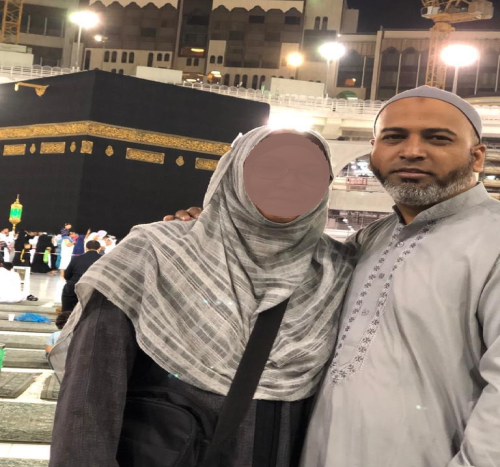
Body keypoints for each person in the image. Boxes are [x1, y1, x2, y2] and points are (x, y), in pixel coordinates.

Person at [167, 86, 500, 467]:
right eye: (394, 137)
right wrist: (214, 232)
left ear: (476, 156)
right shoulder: (366, 242)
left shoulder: (492, 239)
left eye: (437, 138)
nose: (411, 150)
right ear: (374, 150)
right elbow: (270, 259)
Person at [47, 127, 355, 467]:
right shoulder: (154, 253)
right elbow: (90, 394)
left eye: (310, 172)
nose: (290, 182)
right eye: (269, 167)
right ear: (234, 173)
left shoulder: (337, 269)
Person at [61, 240, 102, 312]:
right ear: (99, 248)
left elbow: (67, 275)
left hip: (74, 287)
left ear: (86, 248)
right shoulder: (103, 260)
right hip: (93, 289)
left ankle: (66, 315)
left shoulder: (76, 258)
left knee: (68, 310)